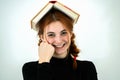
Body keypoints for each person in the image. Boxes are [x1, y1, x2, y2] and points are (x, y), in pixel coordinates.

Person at [22, 1, 98, 80]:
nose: (58, 41)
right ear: (42, 37)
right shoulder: (30, 69)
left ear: (71, 34)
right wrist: (44, 62)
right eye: (51, 35)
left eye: (63, 33)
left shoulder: (86, 68)